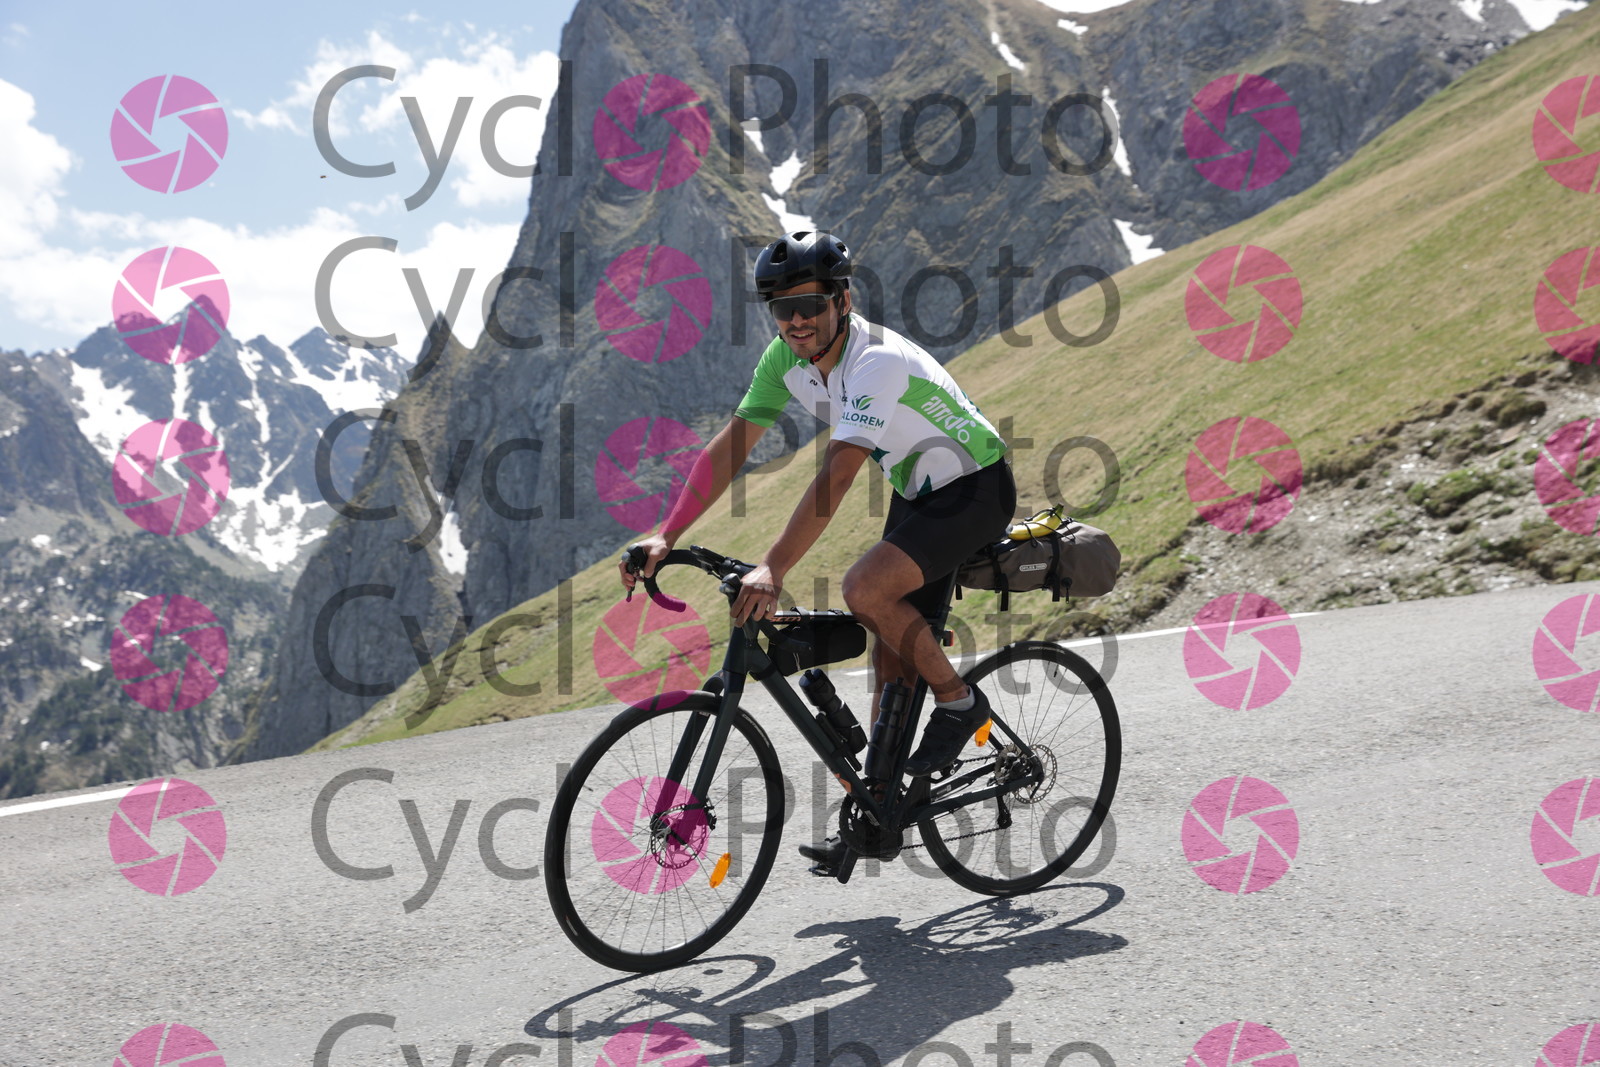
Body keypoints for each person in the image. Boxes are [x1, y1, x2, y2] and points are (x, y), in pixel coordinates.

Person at [618, 230, 1017, 874]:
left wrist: (774, 567)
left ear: (842, 300)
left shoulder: (875, 361)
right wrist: (668, 533)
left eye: (810, 304)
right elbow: (732, 446)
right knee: (888, 657)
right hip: (919, 491)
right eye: (783, 308)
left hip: (975, 488)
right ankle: (876, 811)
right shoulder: (784, 359)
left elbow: (836, 476)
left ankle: (960, 701)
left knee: (865, 591)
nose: (797, 320)